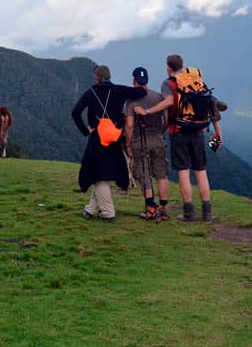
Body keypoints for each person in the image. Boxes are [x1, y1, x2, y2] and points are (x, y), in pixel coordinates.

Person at [134, 54, 222, 222]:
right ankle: (207, 213)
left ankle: (189, 212)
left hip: (179, 131)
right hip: (198, 131)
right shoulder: (195, 80)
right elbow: (210, 104)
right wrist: (217, 131)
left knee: (183, 170)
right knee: (201, 171)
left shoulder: (169, 83)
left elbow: (168, 103)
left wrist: (147, 112)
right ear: (182, 66)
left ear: (168, 68)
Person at [72, 65, 147, 221]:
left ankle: (108, 212)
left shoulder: (90, 93)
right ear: (110, 76)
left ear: (96, 77)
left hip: (97, 139)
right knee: (100, 173)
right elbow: (141, 92)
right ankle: (90, 209)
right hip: (114, 138)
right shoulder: (119, 90)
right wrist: (139, 81)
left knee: (97, 174)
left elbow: (75, 112)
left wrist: (86, 131)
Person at [124, 67, 171, 222]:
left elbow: (129, 125)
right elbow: (166, 119)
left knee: (144, 175)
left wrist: (128, 143)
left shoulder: (131, 100)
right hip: (157, 138)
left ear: (134, 81)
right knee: (161, 174)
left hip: (140, 141)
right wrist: (160, 132)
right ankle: (164, 208)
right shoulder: (158, 96)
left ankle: (151, 209)